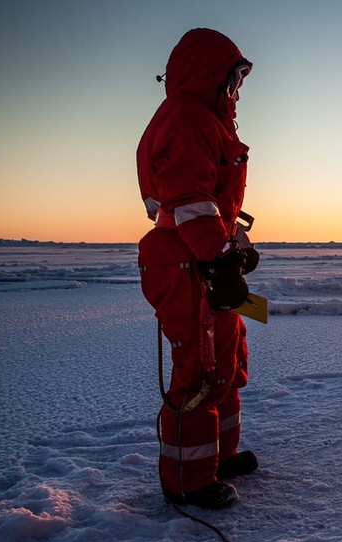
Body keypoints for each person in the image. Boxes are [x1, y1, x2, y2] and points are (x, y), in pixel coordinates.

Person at [137, 28, 261, 509]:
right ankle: (187, 481)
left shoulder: (205, 121)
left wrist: (232, 248)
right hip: (188, 263)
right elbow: (189, 202)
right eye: (233, 80)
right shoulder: (187, 118)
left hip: (203, 258)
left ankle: (216, 457)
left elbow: (208, 202)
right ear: (211, 76)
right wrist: (218, 258)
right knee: (200, 370)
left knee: (225, 363)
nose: (237, 91)